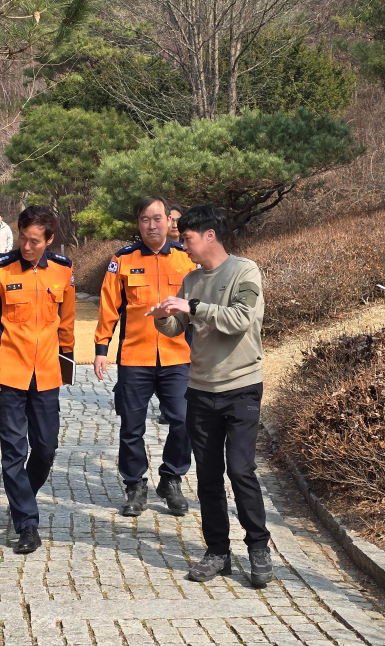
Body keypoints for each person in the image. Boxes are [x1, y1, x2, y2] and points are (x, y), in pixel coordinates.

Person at [148, 204, 274, 589]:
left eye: (186, 238)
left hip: (241, 389)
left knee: (240, 469)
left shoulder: (244, 271)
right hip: (200, 390)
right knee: (207, 477)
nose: (183, 246)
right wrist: (162, 316)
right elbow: (178, 326)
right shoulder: (190, 280)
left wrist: (193, 306)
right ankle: (217, 551)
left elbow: (241, 319)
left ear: (209, 236)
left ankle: (257, 546)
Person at [0, 205, 76, 554]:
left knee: (45, 449)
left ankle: (21, 498)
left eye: (34, 241)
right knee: (14, 450)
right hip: (8, 374)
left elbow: (67, 321)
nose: (26, 246)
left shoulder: (63, 271)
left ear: (49, 240)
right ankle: (27, 522)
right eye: (22, 238)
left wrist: (67, 360)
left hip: (46, 375)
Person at [94, 196, 197, 517]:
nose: (151, 225)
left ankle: (171, 477)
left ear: (169, 220)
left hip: (178, 356)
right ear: (137, 224)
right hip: (134, 357)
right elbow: (109, 306)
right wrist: (101, 349)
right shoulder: (122, 260)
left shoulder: (186, 258)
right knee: (132, 426)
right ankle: (135, 485)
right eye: (144, 220)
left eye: (157, 218)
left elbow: (203, 304)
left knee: (184, 420)